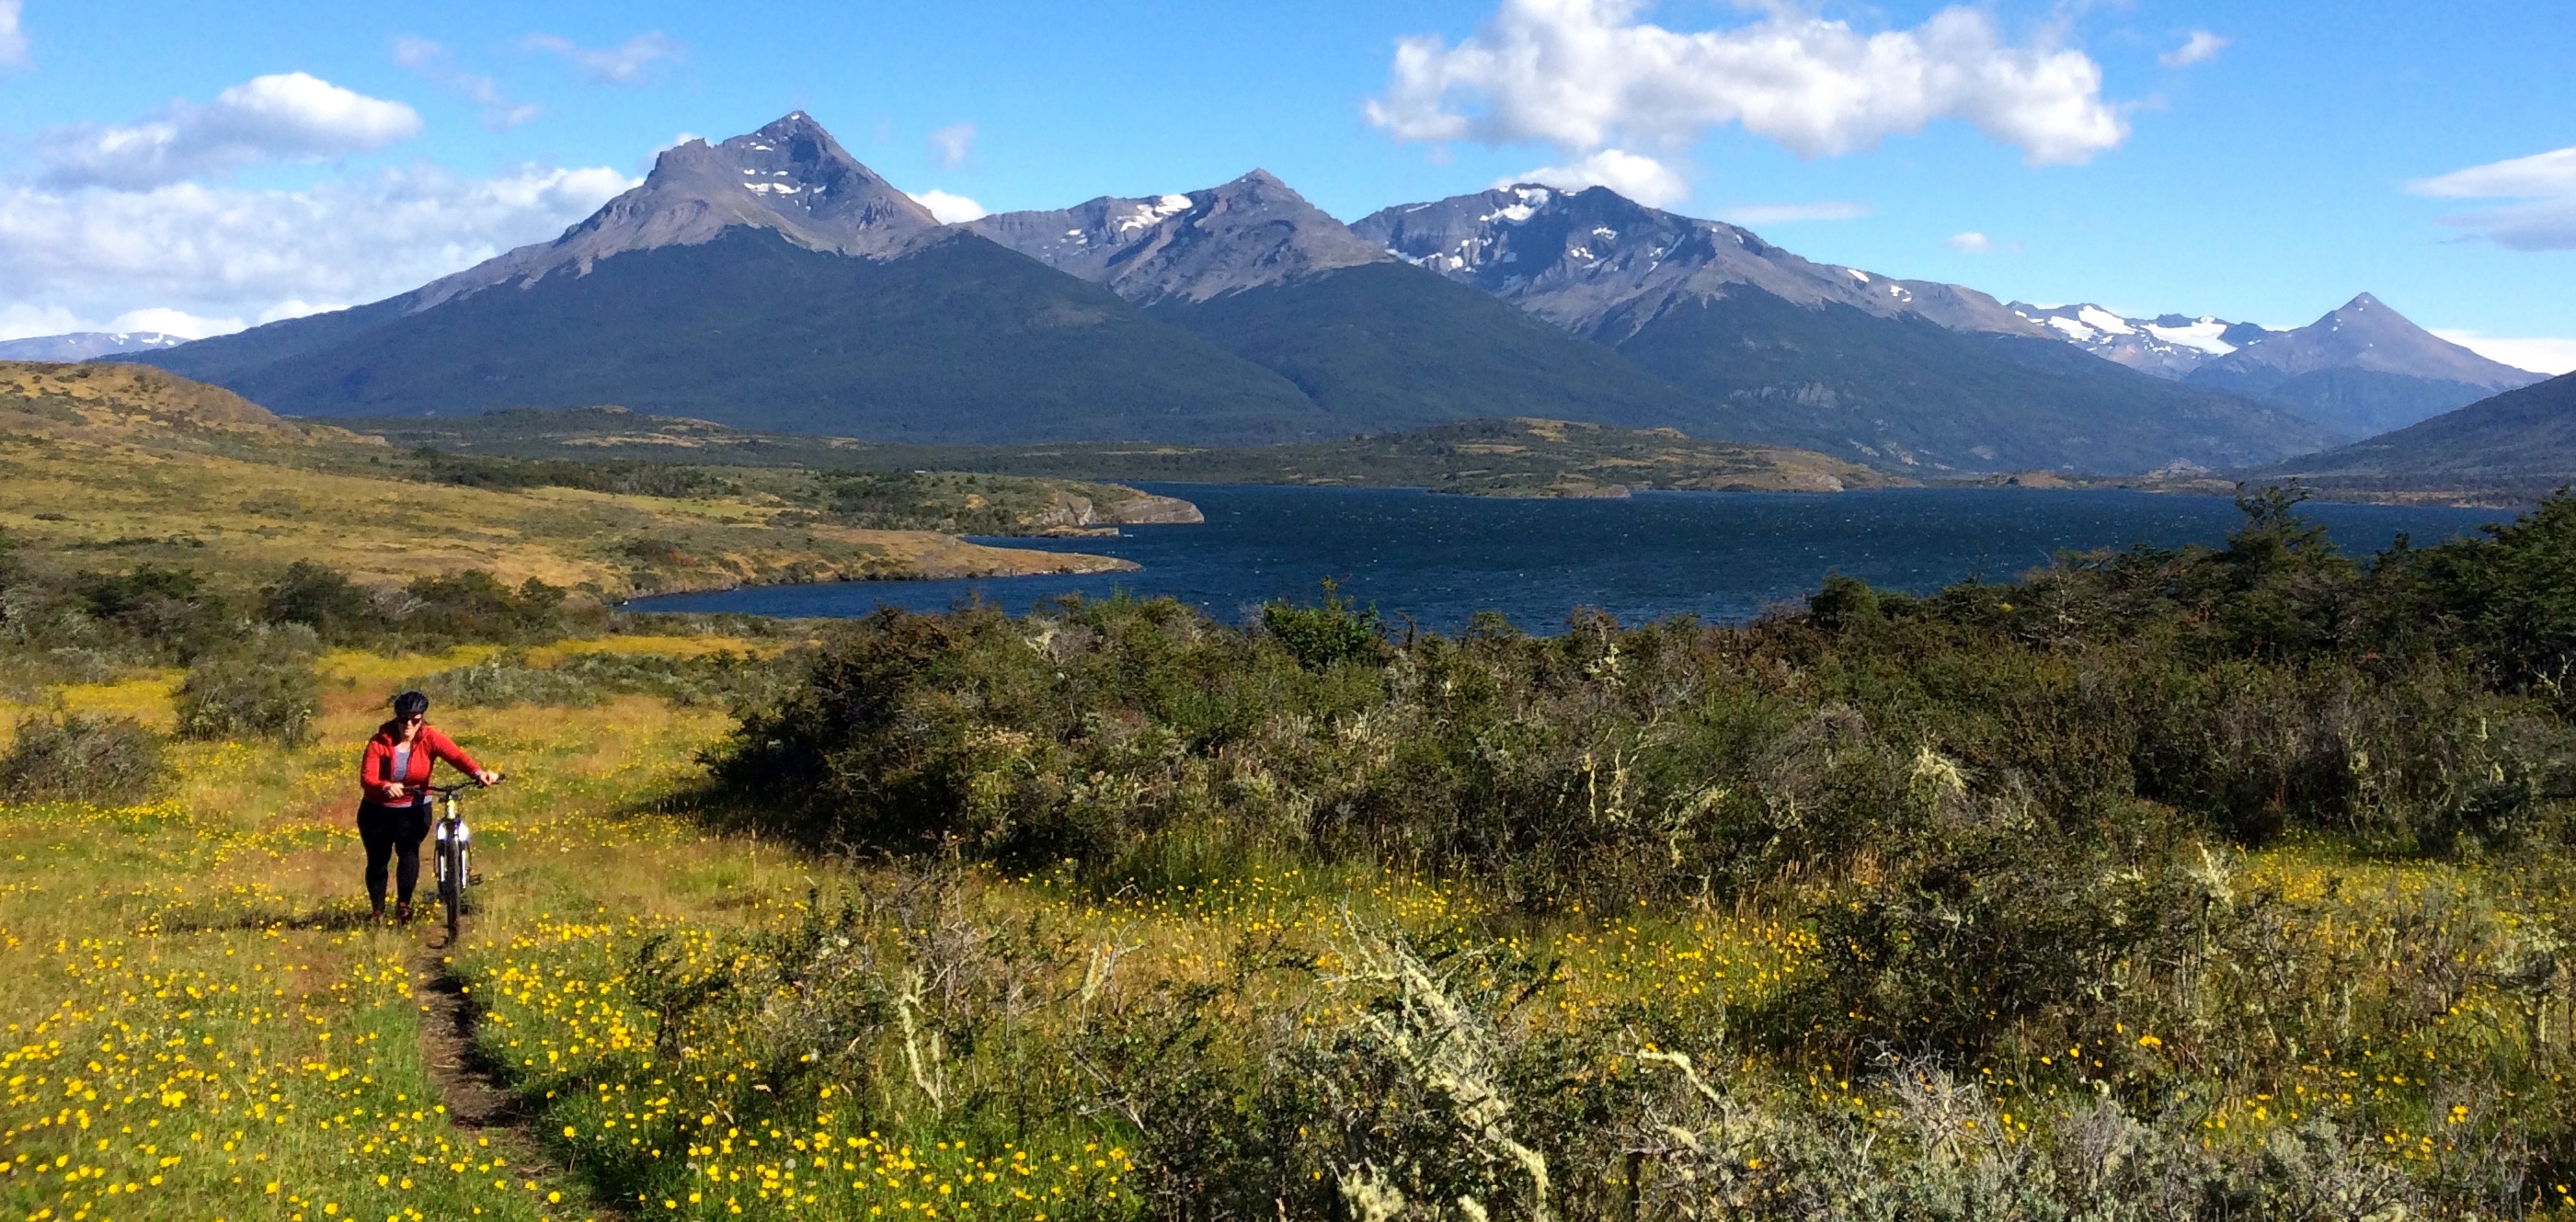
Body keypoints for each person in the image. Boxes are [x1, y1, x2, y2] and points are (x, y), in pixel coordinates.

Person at [356, 691, 499, 923]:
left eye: (415, 720)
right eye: (403, 719)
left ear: (422, 719)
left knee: (408, 852)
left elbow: (456, 756)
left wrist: (477, 773)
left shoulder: (430, 737)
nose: (409, 725)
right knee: (378, 859)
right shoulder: (379, 742)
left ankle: (404, 906)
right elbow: (367, 777)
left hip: (414, 808)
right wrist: (384, 786)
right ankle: (377, 912)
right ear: (396, 718)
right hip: (378, 810)